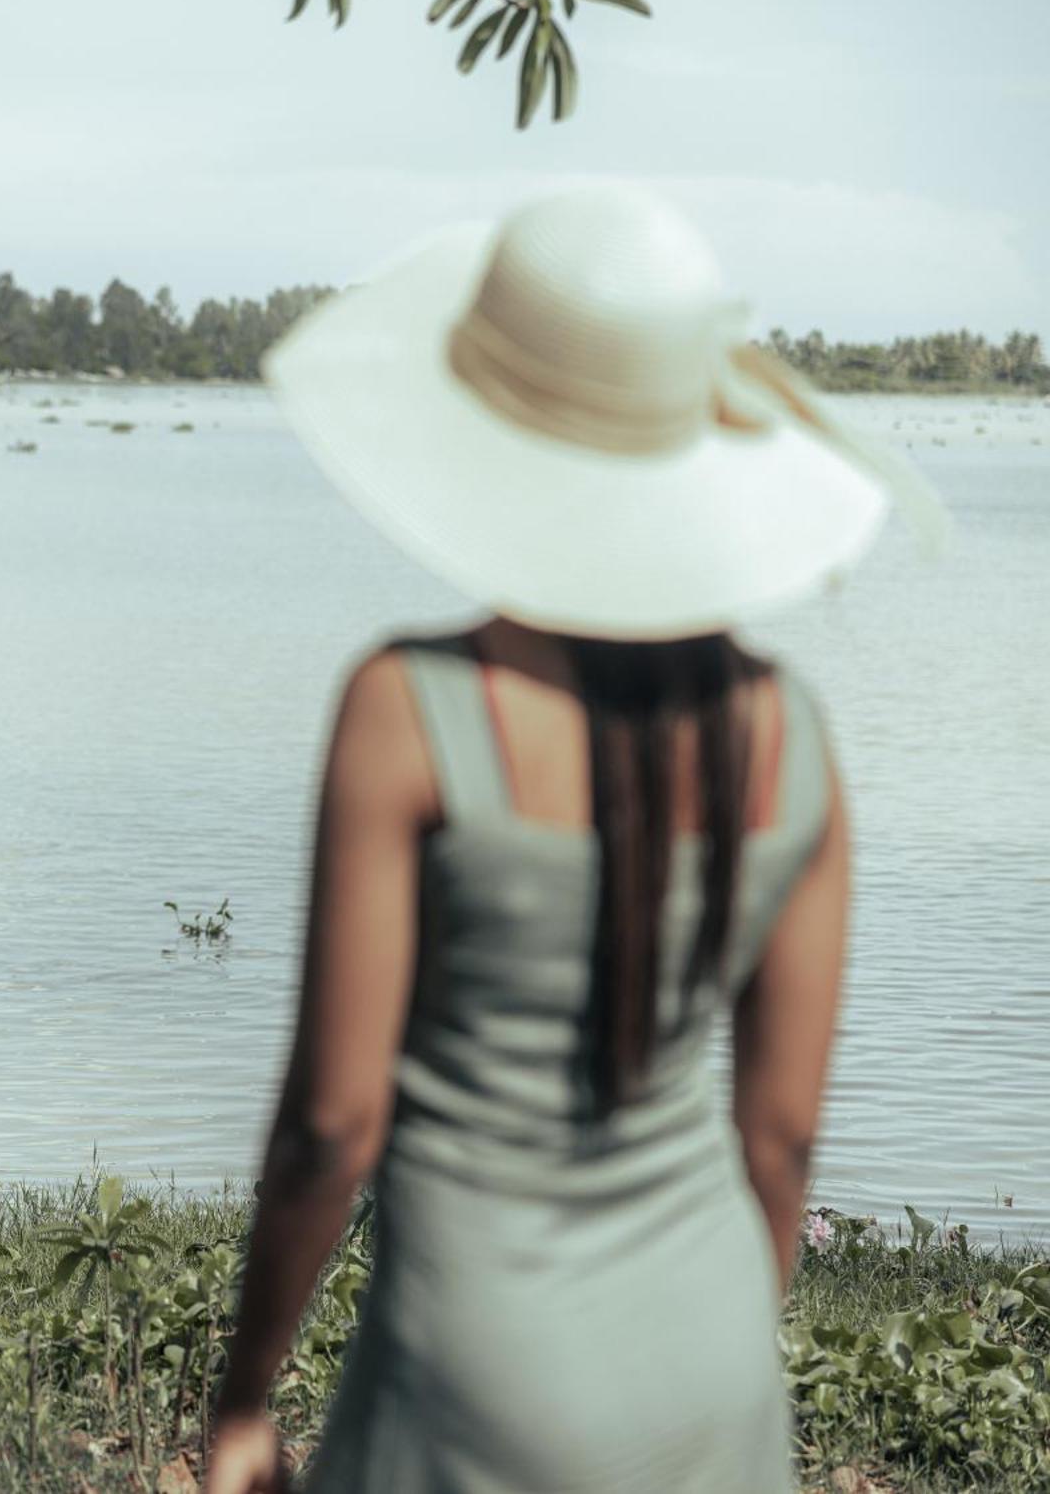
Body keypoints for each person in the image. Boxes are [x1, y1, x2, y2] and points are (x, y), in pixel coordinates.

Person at [201, 188, 941, 1494]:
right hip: (713, 1364)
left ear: (487, 430)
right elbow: (779, 1142)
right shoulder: (792, 734)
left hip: (474, 1371)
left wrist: (248, 1393)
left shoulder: (410, 710)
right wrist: (705, 1355)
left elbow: (332, 1121)